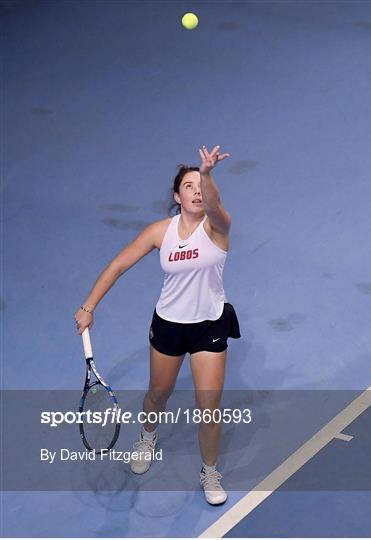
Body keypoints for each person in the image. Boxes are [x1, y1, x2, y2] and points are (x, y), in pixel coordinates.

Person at [75, 144, 241, 505]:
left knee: (209, 404)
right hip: (168, 324)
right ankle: (147, 436)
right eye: (190, 186)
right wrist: (88, 306)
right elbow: (117, 265)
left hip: (209, 324)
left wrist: (208, 173)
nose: (198, 192)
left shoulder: (217, 228)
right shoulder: (160, 232)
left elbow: (215, 205)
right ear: (177, 196)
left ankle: (209, 471)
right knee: (158, 394)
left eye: (202, 186)